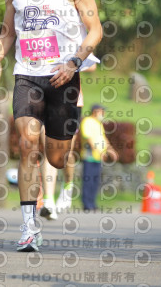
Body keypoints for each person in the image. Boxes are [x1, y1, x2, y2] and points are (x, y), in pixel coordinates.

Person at [0, 0, 102, 252]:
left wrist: (76, 61)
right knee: (28, 146)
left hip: (64, 77)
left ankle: (58, 167)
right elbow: (7, 34)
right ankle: (29, 227)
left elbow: (96, 30)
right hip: (27, 75)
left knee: (57, 156)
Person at [39, 64, 96, 221]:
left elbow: (92, 65)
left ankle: (67, 186)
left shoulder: (75, 39)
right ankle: (48, 201)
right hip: (45, 97)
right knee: (48, 150)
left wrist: (70, 64)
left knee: (66, 154)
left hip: (71, 99)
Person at [80, 104, 117, 211]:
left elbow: (103, 138)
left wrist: (110, 150)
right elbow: (88, 138)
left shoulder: (98, 123)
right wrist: (97, 151)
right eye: (102, 111)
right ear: (95, 111)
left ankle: (92, 203)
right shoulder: (87, 121)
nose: (103, 114)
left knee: (95, 181)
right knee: (88, 181)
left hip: (98, 156)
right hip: (89, 155)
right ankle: (87, 204)